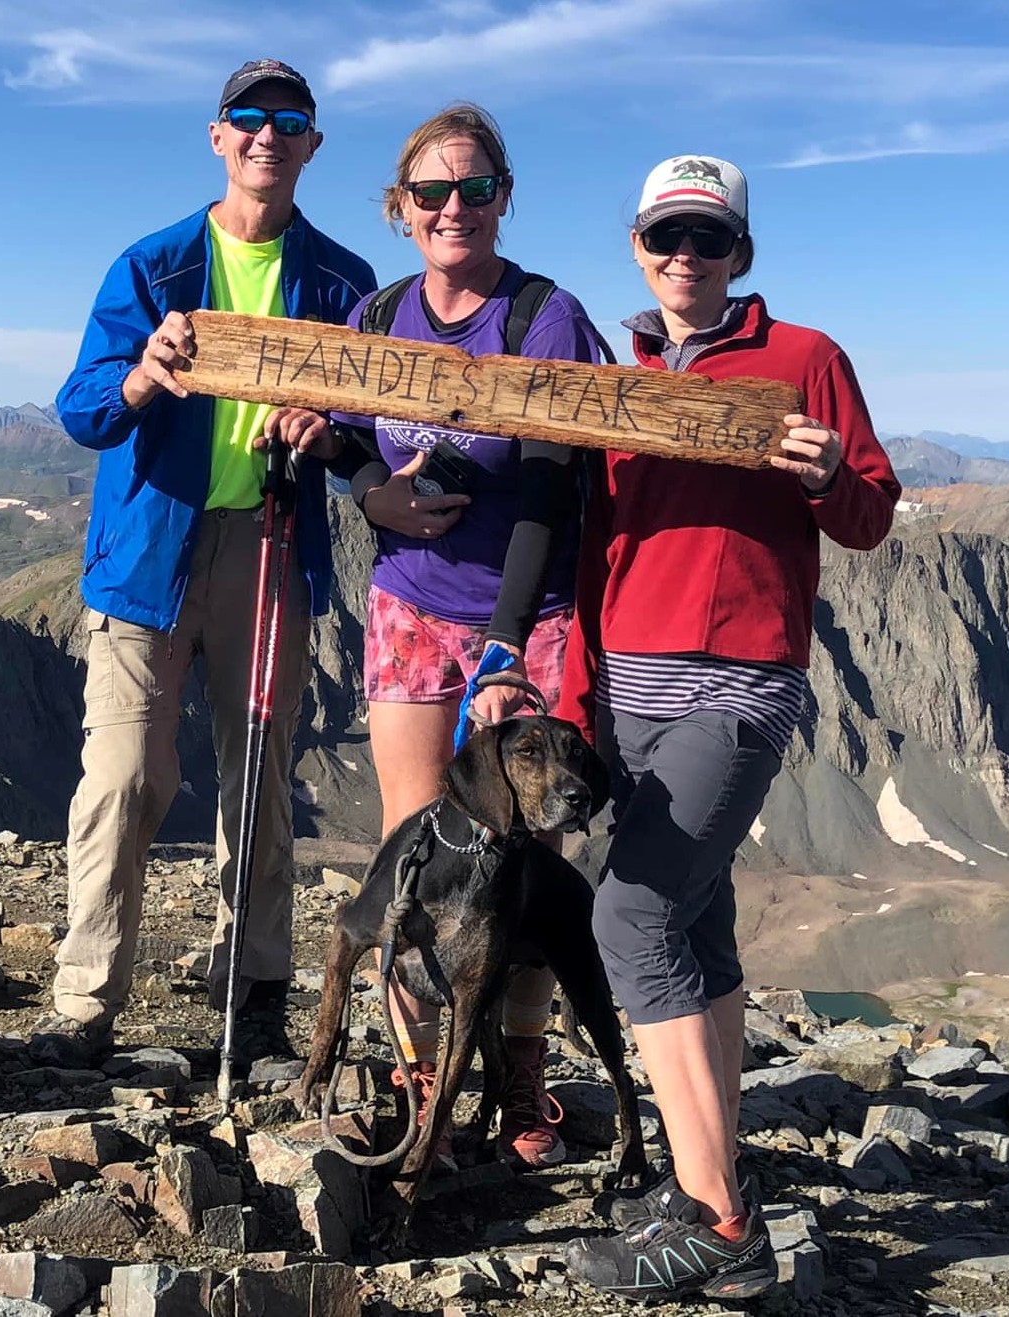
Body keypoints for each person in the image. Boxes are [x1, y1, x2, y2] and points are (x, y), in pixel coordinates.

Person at [558, 156, 900, 1300]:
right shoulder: (619, 372)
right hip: (625, 690)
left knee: (632, 912)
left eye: (707, 238)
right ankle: (711, 1165)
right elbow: (594, 533)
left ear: (738, 253)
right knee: (694, 921)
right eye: (664, 235)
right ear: (637, 245)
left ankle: (715, 1222)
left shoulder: (803, 359)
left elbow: (866, 515)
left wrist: (816, 478)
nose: (683, 258)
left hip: (736, 683)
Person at [33, 59, 376, 1069]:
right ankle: (86, 1002)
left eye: (288, 121)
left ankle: (254, 985)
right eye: (248, 119)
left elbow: (364, 429)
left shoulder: (342, 281)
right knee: (124, 778)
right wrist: (144, 373)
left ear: (311, 145)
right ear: (218, 137)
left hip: (269, 547)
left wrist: (331, 439)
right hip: (149, 551)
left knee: (261, 776)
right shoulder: (154, 266)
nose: (266, 135)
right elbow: (83, 410)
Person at [329, 104, 604, 1170]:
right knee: (414, 850)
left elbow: (548, 486)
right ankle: (420, 1084)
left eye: (473, 189)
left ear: (502, 197)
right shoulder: (380, 312)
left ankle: (521, 1081)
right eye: (431, 193)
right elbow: (342, 434)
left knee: (519, 859)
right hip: (406, 600)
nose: (453, 208)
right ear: (400, 210)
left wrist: (499, 647)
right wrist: (369, 493)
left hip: (522, 616)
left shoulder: (543, 316)